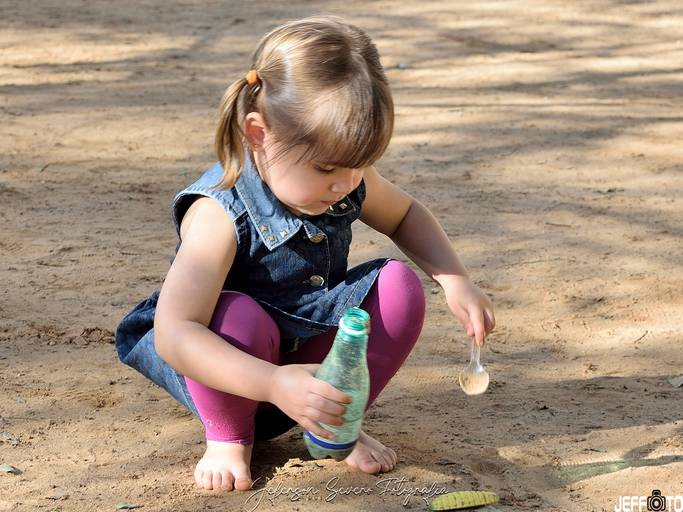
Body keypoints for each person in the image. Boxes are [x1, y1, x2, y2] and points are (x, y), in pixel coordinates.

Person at [114, 15, 495, 493]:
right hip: (229, 373)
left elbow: (404, 215)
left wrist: (454, 279)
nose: (346, 185)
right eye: (326, 168)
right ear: (259, 134)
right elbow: (175, 335)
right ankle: (230, 436)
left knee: (397, 286)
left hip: (309, 364)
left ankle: (335, 424)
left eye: (360, 165)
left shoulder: (346, 180)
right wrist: (274, 383)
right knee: (237, 316)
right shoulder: (218, 214)